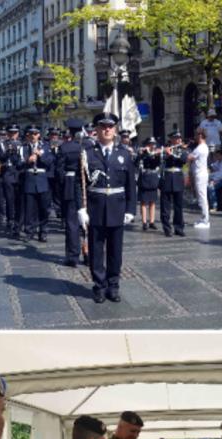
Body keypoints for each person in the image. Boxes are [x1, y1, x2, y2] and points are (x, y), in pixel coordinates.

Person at [80, 113, 137, 304]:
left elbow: (130, 184)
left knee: (115, 251)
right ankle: (99, 286)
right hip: (95, 208)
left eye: (110, 126)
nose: (107, 130)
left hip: (117, 207)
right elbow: (79, 184)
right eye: (103, 126)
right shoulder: (87, 154)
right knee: (96, 250)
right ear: (96, 130)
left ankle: (113, 286)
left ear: (115, 129)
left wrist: (130, 210)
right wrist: (81, 209)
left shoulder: (124, 154)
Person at [54, 119, 87, 266]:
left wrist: (62, 184)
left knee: (72, 223)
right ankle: (88, 254)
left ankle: (73, 256)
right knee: (87, 221)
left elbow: (59, 171)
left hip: (70, 185)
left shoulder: (65, 147)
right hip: (87, 187)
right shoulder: (89, 145)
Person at [19, 126, 55, 243]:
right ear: (28, 135)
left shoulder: (45, 146)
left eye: (36, 134)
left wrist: (40, 155)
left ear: (39, 135)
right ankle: (29, 231)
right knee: (30, 208)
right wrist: (26, 161)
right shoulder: (23, 147)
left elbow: (50, 162)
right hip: (29, 179)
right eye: (31, 134)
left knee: (44, 208)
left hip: (42, 179)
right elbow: (17, 164)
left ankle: (43, 231)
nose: (33, 136)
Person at [0, 125, 24, 239]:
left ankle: (19, 220)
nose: (13, 135)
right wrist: (8, 152)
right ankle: (10, 219)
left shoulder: (22, 144)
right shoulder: (2, 144)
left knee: (19, 199)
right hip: (7, 172)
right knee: (9, 198)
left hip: (19, 172)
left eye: (15, 132)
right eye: (11, 133)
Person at [159, 130, 188, 237]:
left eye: (179, 138)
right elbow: (161, 160)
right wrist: (165, 153)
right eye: (176, 138)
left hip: (178, 178)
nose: (178, 140)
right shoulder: (165, 149)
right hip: (167, 178)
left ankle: (179, 227)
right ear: (171, 139)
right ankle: (167, 228)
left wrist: (171, 155)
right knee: (165, 206)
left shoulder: (182, 149)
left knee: (178, 206)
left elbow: (183, 160)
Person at [136, 136, 162, 231]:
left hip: (152, 179)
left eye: (153, 144)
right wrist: (143, 153)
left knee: (152, 202)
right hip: (144, 179)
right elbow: (136, 162)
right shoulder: (142, 153)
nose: (152, 146)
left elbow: (156, 163)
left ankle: (152, 221)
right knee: (143, 202)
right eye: (150, 144)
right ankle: (144, 222)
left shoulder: (155, 154)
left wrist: (157, 155)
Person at [188, 128, 211, 229]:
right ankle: (204, 218)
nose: (195, 137)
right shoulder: (202, 147)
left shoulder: (200, 148)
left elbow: (189, 157)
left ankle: (205, 220)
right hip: (200, 173)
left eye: (197, 135)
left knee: (202, 197)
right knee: (201, 196)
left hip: (200, 174)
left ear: (201, 135)